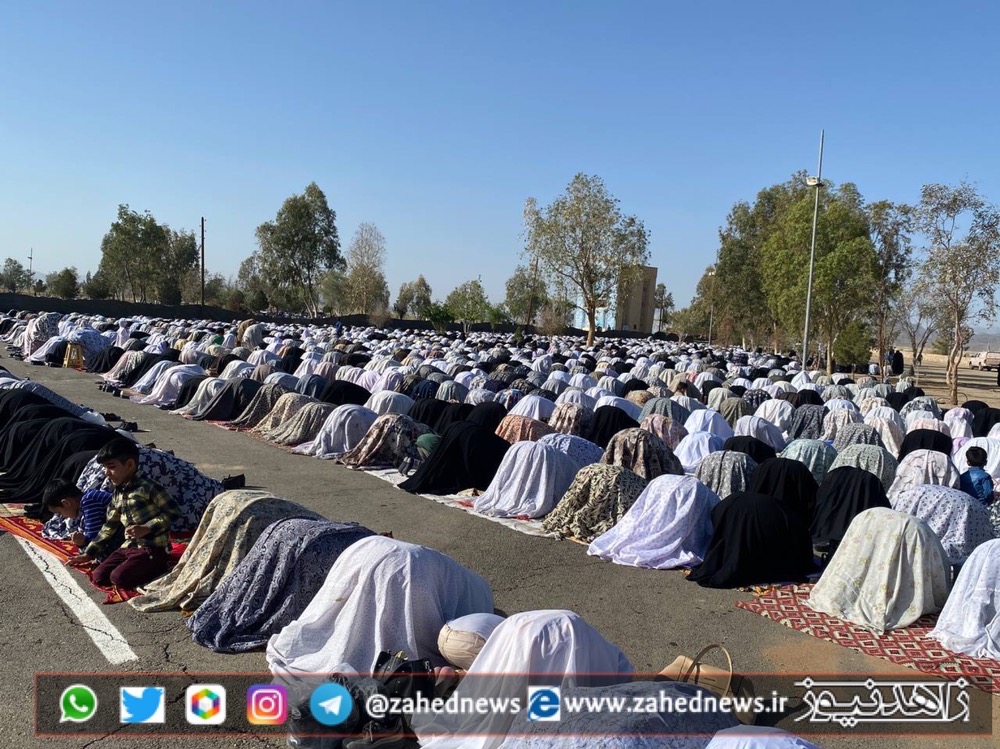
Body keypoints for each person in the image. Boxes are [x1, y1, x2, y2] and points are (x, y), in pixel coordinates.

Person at [66, 437, 179, 589]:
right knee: (99, 576)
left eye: (111, 467)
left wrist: (147, 527)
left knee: (118, 578)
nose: (107, 473)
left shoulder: (149, 488)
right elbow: (109, 526)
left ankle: (160, 564)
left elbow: (173, 513)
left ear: (130, 465)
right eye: (104, 468)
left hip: (151, 547)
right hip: (128, 546)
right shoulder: (118, 493)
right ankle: (138, 565)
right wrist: (89, 553)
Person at [41, 479, 114, 552]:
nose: (62, 517)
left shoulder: (89, 501)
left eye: (59, 513)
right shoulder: (87, 499)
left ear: (66, 503)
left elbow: (94, 540)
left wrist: (83, 542)